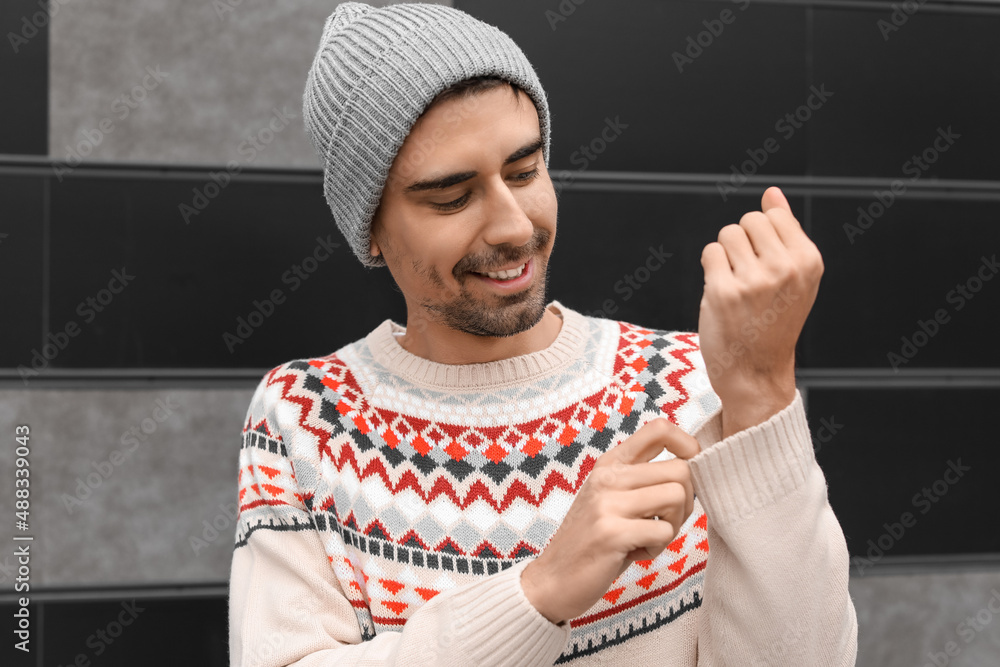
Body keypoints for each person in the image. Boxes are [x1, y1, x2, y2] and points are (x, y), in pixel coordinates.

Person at [227, 2, 858, 665]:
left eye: (525, 171)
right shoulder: (306, 419)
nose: (513, 226)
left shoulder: (694, 382)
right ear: (372, 233)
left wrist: (760, 394)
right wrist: (540, 591)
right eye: (451, 197)